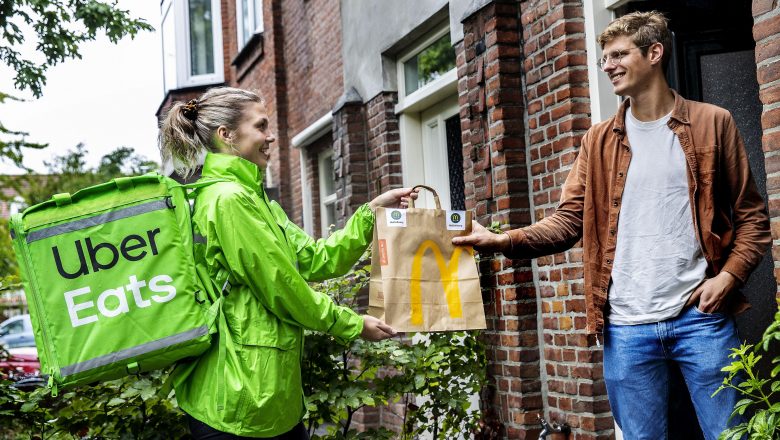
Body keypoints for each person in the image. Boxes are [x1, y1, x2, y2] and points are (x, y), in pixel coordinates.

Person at [453, 11, 771, 439]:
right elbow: (568, 222)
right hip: (625, 326)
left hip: (701, 320)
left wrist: (730, 276)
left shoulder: (713, 123)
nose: (608, 66)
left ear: (654, 53)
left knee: (731, 435)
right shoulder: (598, 140)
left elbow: (751, 215)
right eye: (605, 58)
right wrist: (502, 239)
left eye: (619, 55)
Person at [159, 86, 416, 439]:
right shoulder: (228, 200)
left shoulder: (253, 198)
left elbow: (317, 259)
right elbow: (281, 287)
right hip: (238, 399)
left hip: (267, 396)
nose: (270, 137)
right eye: (261, 126)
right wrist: (352, 324)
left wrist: (371, 213)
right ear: (227, 135)